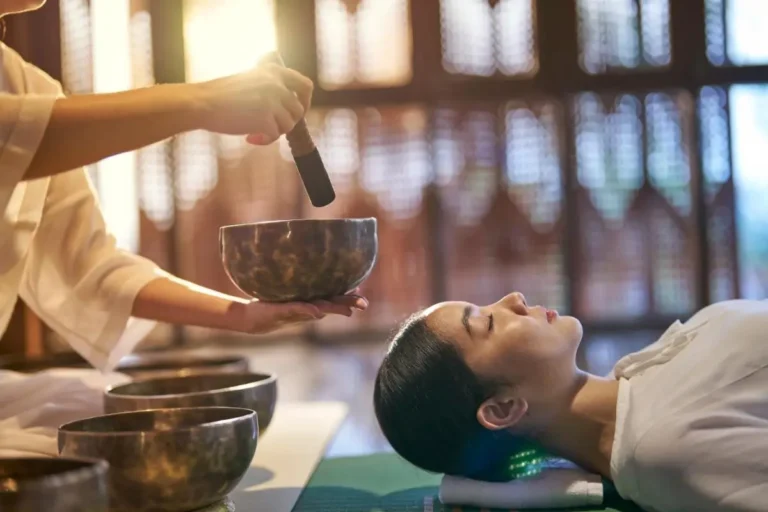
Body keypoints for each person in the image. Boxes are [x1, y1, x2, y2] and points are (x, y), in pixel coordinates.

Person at [0, 0, 368, 374]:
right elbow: (18, 136)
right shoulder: (33, 101)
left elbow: (91, 266)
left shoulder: (27, 84)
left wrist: (243, 315)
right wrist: (203, 101)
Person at [374, 291, 768, 511]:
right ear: (502, 409)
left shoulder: (642, 374)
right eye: (488, 323)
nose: (513, 299)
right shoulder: (667, 441)